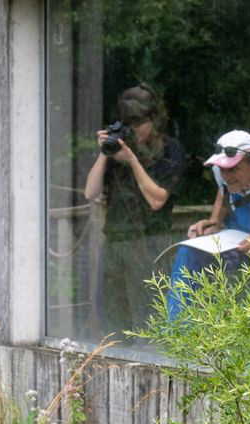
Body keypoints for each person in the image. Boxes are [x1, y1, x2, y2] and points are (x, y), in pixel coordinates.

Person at [83, 84, 186, 337]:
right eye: (129, 123)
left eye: (139, 122)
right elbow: (90, 192)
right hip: (115, 240)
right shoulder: (117, 151)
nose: (135, 129)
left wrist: (131, 159)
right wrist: (105, 152)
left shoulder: (170, 149)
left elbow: (157, 200)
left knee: (150, 309)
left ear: (154, 120)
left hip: (149, 242)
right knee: (112, 313)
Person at [167, 130, 250, 320]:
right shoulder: (221, 174)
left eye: (232, 169)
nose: (226, 176)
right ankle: (177, 330)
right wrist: (215, 221)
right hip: (240, 248)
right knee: (189, 253)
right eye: (222, 169)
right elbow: (224, 191)